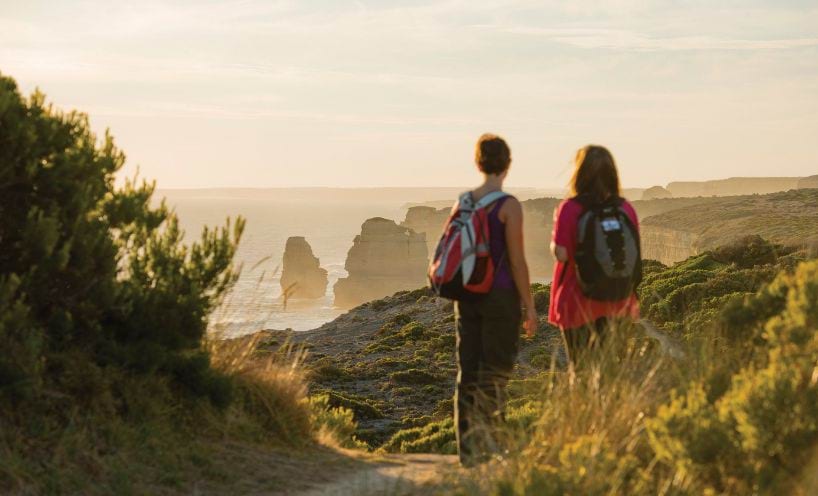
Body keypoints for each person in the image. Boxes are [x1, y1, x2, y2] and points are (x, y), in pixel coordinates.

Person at [453, 133, 538, 466]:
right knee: (496, 371)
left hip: (467, 296)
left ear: (478, 163)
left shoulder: (463, 201)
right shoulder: (508, 206)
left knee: (468, 370)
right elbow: (517, 260)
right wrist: (530, 306)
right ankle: (494, 447)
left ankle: (467, 452)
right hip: (500, 297)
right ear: (508, 165)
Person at [548, 145, 641, 365]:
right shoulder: (625, 209)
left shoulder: (570, 208)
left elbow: (561, 254)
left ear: (579, 174)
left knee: (580, 369)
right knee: (612, 369)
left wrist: (554, 242)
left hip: (578, 301)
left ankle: (585, 401)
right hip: (619, 300)